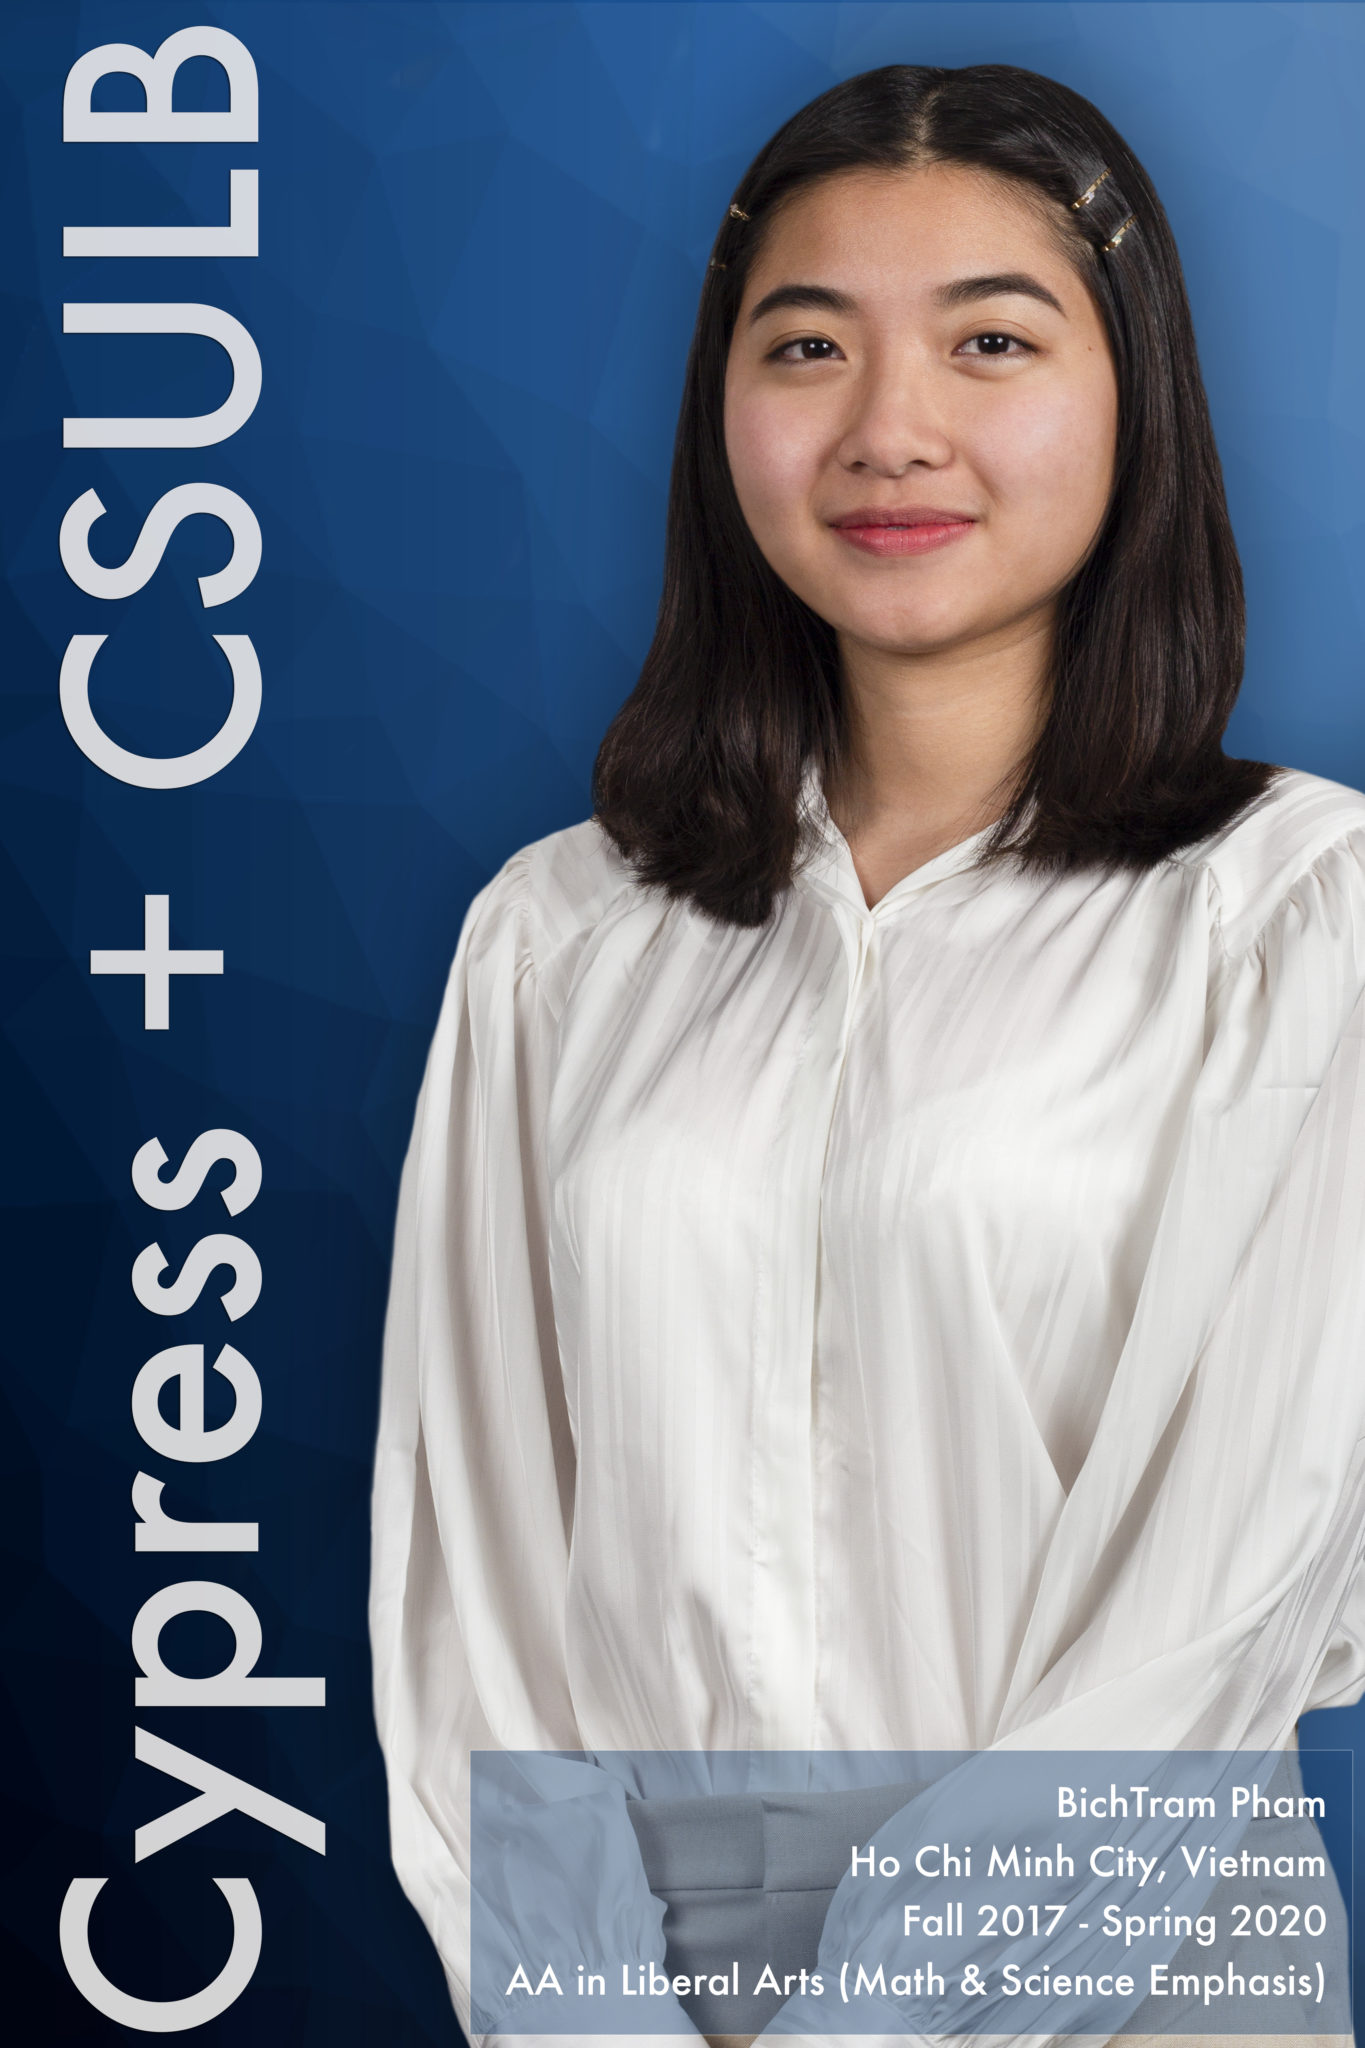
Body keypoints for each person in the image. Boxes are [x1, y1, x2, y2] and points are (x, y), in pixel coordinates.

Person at [369, 62, 1364, 2048]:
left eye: (990, 341)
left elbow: (1216, 1596)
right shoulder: (558, 939)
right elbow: (469, 1586)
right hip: (627, 1990)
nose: (888, 429)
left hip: (1144, 1977)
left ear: (1131, 396)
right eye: (804, 345)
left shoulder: (1299, 918)